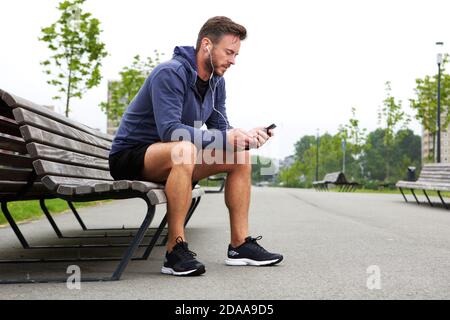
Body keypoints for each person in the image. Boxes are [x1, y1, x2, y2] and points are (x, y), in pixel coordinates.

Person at [109, 16, 283, 276]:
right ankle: (175, 250)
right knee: (184, 148)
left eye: (236, 54)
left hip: (173, 155)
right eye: (229, 52)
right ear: (206, 45)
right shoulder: (170, 73)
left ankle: (239, 246)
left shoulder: (216, 82)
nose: (233, 60)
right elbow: (169, 131)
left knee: (239, 157)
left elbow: (221, 130)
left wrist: (246, 138)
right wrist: (227, 139)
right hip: (132, 155)